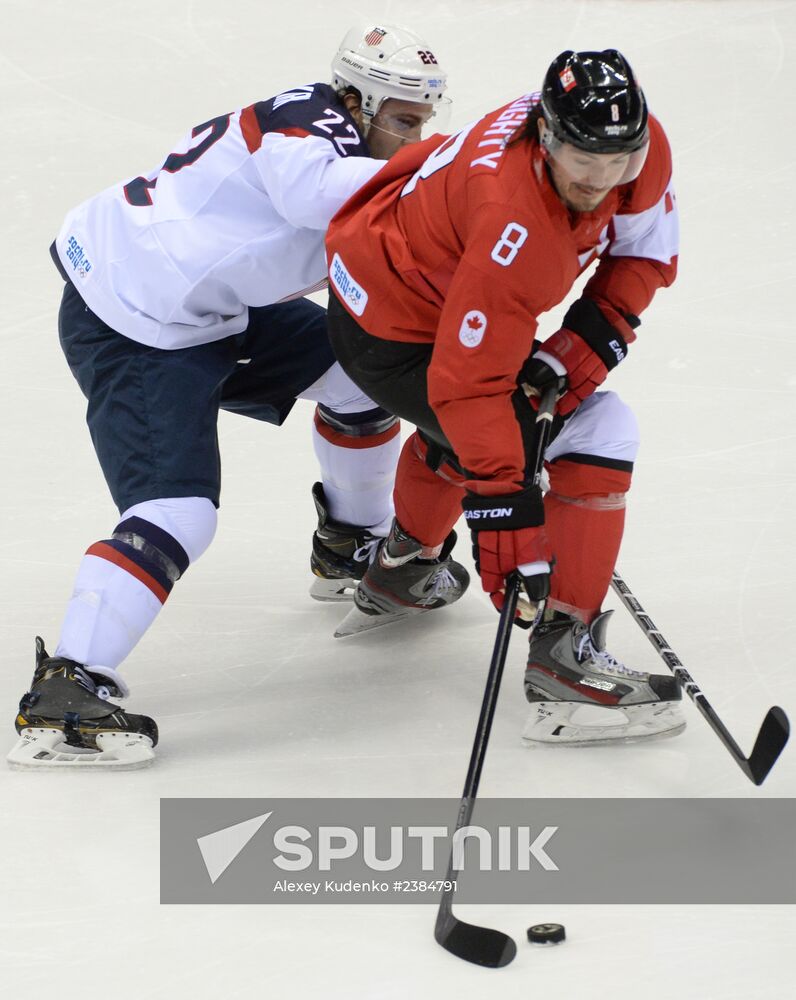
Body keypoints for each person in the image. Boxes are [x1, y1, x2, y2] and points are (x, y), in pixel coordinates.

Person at [8, 24, 449, 769]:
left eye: (428, 123)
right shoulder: (303, 124)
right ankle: (66, 686)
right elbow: (315, 195)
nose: (417, 136)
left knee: (359, 382)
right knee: (177, 513)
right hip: (133, 319)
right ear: (356, 98)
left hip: (211, 304)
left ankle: (354, 549)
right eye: (405, 120)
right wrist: (443, 170)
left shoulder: (355, 147)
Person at [325, 49, 685, 745]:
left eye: (620, 164)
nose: (602, 182)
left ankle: (403, 570)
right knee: (591, 432)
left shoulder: (629, 144)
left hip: (404, 280)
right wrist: (508, 519)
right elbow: (467, 388)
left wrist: (580, 345)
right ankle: (562, 659)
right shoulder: (513, 225)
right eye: (584, 163)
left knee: (502, 426)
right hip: (394, 331)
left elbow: (644, 251)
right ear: (545, 137)